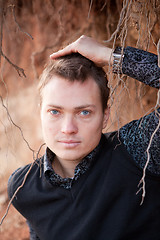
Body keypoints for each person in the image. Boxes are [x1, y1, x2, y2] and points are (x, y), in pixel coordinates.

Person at [8, 35, 160, 240]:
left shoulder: (137, 150)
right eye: (55, 111)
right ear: (40, 113)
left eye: (84, 112)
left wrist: (111, 56)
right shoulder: (23, 186)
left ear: (105, 116)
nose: (68, 128)